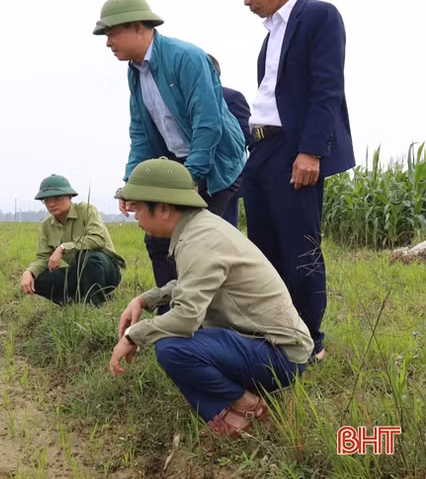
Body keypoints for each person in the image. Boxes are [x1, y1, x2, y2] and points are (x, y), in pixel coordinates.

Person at [109, 158, 313, 436]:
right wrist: (145, 300)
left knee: (172, 348)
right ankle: (230, 406)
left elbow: (186, 318)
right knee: (177, 343)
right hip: (269, 345)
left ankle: (246, 406)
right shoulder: (199, 229)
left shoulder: (199, 240)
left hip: (281, 355)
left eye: (138, 208)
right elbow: (192, 283)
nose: (135, 218)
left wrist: (133, 336)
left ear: (164, 208)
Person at [231, 0, 355, 361]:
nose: (246, 2)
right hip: (261, 149)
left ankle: (310, 341)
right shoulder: (270, 37)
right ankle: (278, 333)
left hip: (293, 149)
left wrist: (311, 151)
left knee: (299, 247)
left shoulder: (319, 16)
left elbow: (327, 88)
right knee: (263, 248)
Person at [93, 0, 246, 290]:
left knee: (198, 242)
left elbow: (207, 122)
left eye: (112, 33)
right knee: (158, 238)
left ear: (138, 27)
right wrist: (131, 183)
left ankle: (214, 314)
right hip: (178, 163)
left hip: (214, 161)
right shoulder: (136, 72)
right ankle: (170, 311)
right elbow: (141, 132)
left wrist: (191, 177)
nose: (108, 42)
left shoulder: (186, 58)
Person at [20, 174, 125, 305]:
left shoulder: (86, 210)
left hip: (106, 271)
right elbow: (43, 257)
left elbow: (98, 240)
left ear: (70, 196)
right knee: (36, 280)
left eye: (58, 198)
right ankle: (73, 303)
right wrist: (29, 272)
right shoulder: (46, 225)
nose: (51, 204)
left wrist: (63, 247)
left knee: (86, 256)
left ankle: (95, 305)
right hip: (80, 273)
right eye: (46, 200)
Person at [208, 54, 252, 227]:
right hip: (196, 175)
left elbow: (245, 135)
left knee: (224, 226)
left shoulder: (231, 97)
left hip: (226, 174)